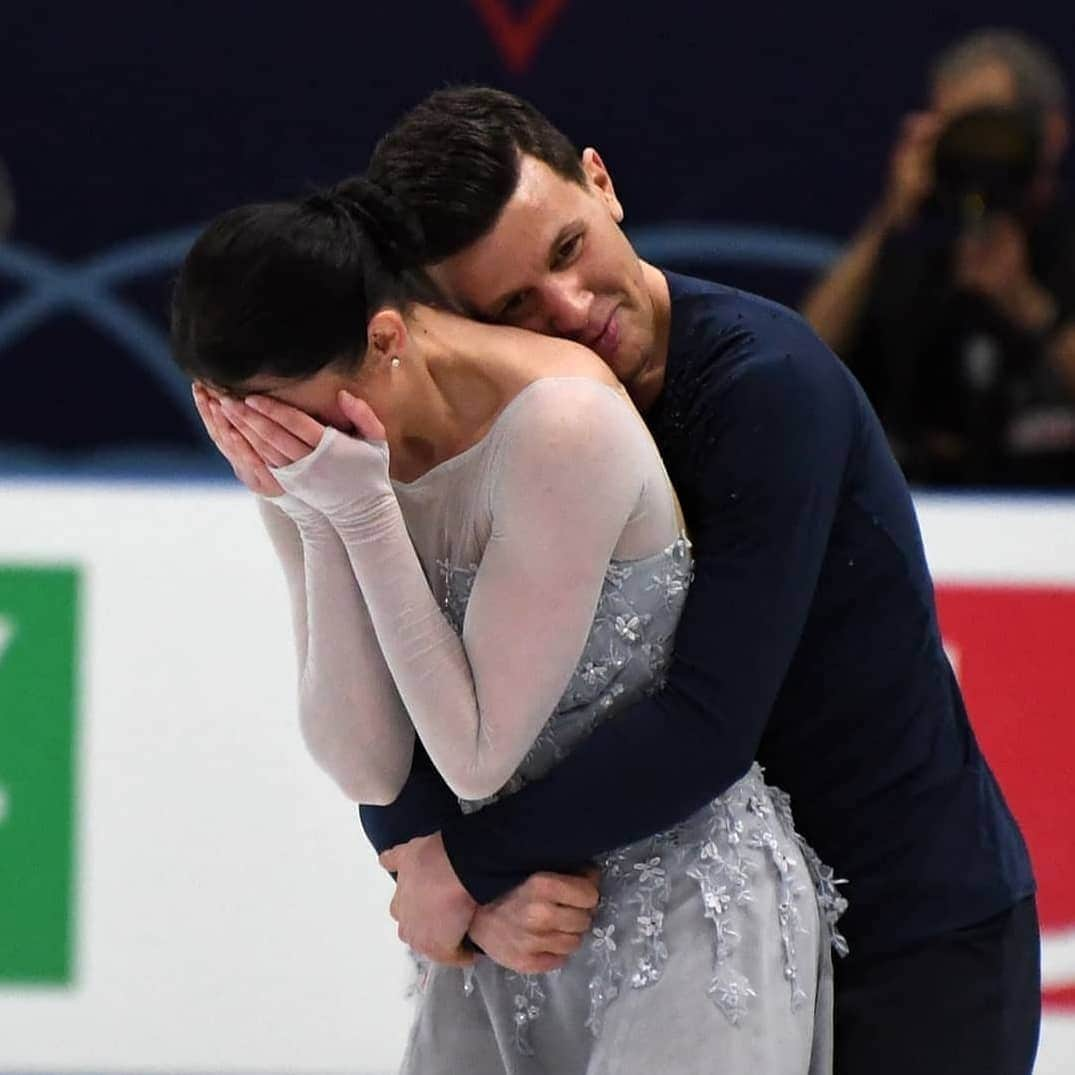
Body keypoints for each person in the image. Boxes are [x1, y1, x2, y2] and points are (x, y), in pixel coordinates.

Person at [353, 87, 1040, 1074]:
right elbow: (404, 666)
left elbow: (709, 721)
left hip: (910, 943)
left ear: (602, 182)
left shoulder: (765, 387)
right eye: (513, 307)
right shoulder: (496, 437)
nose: (573, 311)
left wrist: (456, 870)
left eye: (565, 251)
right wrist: (416, 845)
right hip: (673, 952)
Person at [170, 184, 845, 1073]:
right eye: (243, 422)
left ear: (384, 341)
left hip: (685, 912)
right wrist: (318, 516)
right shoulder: (315, 450)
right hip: (504, 921)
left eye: (287, 419)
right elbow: (367, 763)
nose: (274, 443)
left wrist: (364, 515)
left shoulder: (561, 424)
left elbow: (477, 750)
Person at [802, 28, 1075, 486]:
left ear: (1050, 134)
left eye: (989, 127)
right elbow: (803, 366)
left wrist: (1026, 306)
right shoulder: (915, 258)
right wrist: (888, 218)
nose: (975, 150)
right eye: (956, 130)